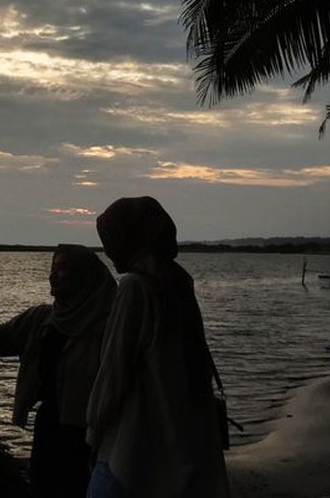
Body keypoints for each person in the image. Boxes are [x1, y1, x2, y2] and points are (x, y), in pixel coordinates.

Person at [86, 197, 230, 498]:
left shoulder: (134, 288)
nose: (108, 250)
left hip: (130, 449)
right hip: (181, 446)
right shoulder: (179, 283)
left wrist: (93, 430)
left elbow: (113, 372)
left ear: (131, 238)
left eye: (112, 239)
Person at [0, 244, 116, 498]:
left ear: (84, 276)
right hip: (50, 426)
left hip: (91, 434)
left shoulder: (108, 325)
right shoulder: (42, 319)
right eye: (52, 267)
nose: (53, 275)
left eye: (62, 268)